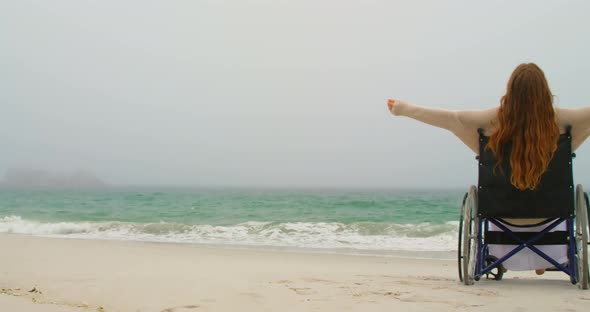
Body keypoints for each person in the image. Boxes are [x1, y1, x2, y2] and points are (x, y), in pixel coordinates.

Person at [387, 63, 590, 275]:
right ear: (545, 92)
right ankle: (543, 260)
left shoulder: (491, 122)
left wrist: (405, 109)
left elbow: (451, 119)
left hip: (502, 224)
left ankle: (515, 259)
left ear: (510, 92)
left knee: (474, 137)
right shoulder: (563, 122)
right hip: (552, 224)